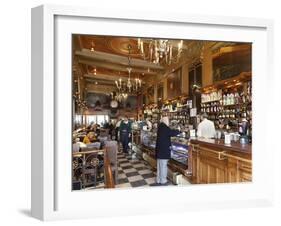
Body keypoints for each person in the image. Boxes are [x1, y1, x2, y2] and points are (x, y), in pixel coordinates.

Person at [153, 116, 180, 186]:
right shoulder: (164, 127)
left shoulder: (160, 127)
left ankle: (158, 179)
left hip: (159, 149)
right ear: (165, 121)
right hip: (163, 150)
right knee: (163, 165)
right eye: (168, 121)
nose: (169, 122)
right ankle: (163, 181)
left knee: (159, 165)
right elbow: (171, 133)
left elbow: (168, 133)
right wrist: (179, 131)